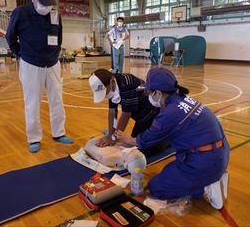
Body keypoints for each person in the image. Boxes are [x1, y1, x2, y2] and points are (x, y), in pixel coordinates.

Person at [115, 67, 230, 209]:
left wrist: (126, 139)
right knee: (168, 172)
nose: (146, 94)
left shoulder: (169, 113)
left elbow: (143, 141)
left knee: (156, 187)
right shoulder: (182, 99)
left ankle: (206, 185)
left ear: (157, 93)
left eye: (148, 92)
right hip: (219, 152)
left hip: (205, 162)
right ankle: (212, 176)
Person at [5, 0, 73, 153]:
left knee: (57, 100)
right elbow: (10, 36)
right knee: (32, 103)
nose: (47, 7)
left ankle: (59, 133)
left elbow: (59, 37)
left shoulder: (55, 15)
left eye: (49, 3)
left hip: (52, 64)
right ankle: (34, 138)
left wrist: (55, 54)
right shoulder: (20, 12)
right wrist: (21, 53)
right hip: (31, 65)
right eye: (43, 2)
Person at [88, 69, 168, 155]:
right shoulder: (111, 87)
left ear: (112, 81)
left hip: (152, 113)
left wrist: (114, 137)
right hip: (139, 116)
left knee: (143, 148)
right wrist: (110, 135)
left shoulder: (127, 84)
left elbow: (126, 114)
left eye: (104, 92)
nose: (104, 95)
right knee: (133, 143)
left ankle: (167, 138)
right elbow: (112, 112)